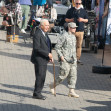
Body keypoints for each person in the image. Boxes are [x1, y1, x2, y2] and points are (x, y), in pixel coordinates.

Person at [49, 22, 79, 98]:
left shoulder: (73, 36)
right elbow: (57, 47)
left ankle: (71, 91)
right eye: (73, 28)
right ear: (69, 28)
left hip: (72, 59)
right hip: (65, 58)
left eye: (75, 28)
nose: (75, 29)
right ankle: (53, 85)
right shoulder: (64, 36)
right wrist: (61, 56)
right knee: (63, 74)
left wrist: (75, 58)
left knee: (73, 75)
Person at [31, 19, 53, 100]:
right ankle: (37, 93)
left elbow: (47, 45)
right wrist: (47, 54)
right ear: (41, 26)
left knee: (43, 76)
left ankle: (38, 92)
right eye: (46, 25)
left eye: (48, 25)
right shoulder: (37, 34)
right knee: (40, 76)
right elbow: (36, 48)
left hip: (44, 58)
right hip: (39, 59)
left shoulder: (44, 33)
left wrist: (49, 57)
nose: (47, 27)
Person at [65, 0, 88, 65]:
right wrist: (70, 20)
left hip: (80, 31)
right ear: (74, 3)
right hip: (72, 31)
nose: (78, 5)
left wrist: (82, 20)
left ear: (81, 4)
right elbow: (65, 19)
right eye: (76, 3)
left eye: (79, 3)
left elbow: (87, 20)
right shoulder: (70, 10)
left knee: (79, 45)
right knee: (70, 45)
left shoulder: (83, 11)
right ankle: (70, 58)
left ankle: (77, 59)